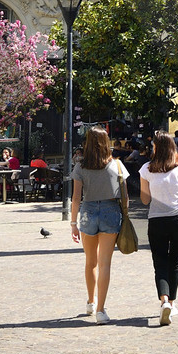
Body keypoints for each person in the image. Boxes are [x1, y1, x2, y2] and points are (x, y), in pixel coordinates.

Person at [139, 131, 178, 325]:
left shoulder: (146, 169)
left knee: (160, 263)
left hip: (156, 220)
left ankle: (164, 300)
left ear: (156, 147)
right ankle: (172, 303)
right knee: (175, 262)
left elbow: (145, 200)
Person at [69, 126, 127, 325]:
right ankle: (101, 310)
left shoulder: (81, 166)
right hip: (111, 211)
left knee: (90, 262)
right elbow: (125, 196)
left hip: (88, 210)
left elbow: (76, 198)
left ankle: (90, 302)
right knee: (105, 264)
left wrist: (73, 223)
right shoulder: (117, 165)